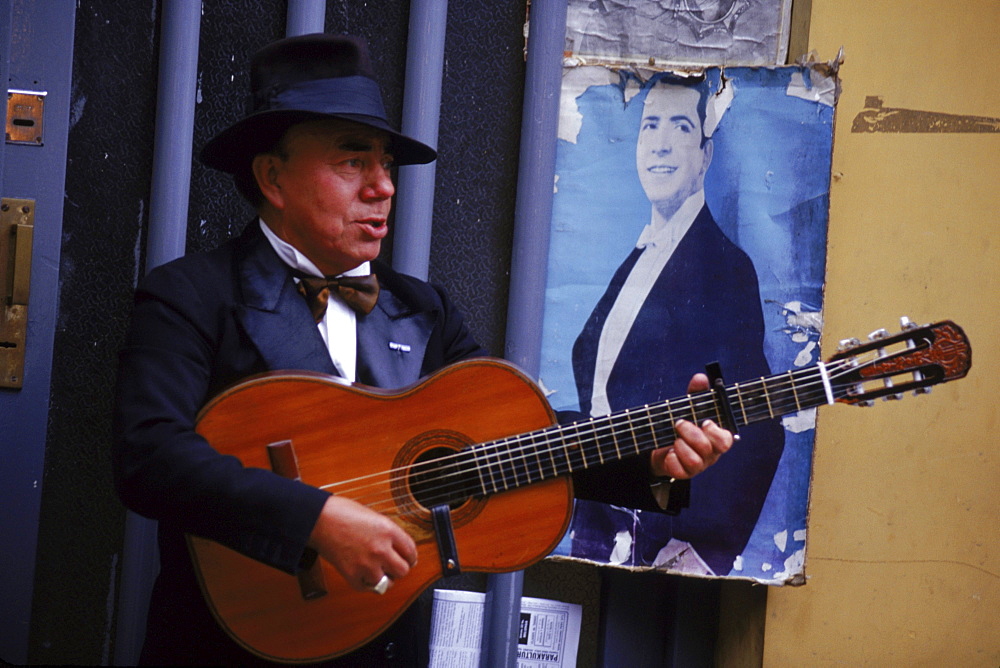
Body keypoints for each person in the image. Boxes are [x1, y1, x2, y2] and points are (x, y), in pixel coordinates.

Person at [112, 34, 733, 666]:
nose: (382, 187)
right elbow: (149, 456)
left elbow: (507, 441)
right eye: (353, 162)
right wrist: (316, 519)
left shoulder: (423, 309)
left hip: (385, 645)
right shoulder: (190, 297)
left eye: (386, 164)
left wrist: (647, 456)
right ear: (272, 177)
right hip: (228, 648)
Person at [570, 74, 785, 576]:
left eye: (681, 127)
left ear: (706, 155)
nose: (660, 144)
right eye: (650, 126)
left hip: (653, 566)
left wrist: (689, 556)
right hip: (594, 543)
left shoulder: (723, 267)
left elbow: (756, 431)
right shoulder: (637, 259)